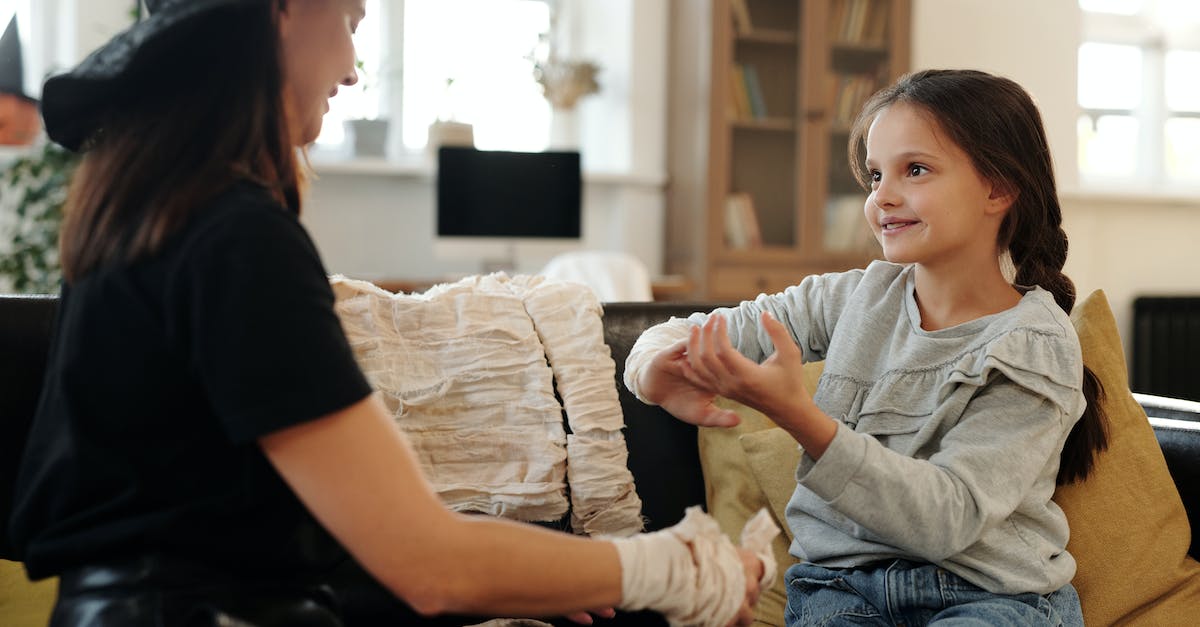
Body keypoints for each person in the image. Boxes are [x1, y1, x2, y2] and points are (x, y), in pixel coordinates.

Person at [7, 1, 768, 625]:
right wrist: (680, 569)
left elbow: (287, 524)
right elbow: (432, 566)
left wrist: (552, 575)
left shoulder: (152, 210)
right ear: (283, 13)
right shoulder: (233, 238)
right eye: (351, 23)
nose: (350, 67)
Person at [624, 69, 1110, 626]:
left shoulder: (1033, 344)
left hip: (991, 598)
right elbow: (685, 330)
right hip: (838, 592)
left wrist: (799, 417)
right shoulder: (852, 297)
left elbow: (945, 519)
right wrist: (652, 370)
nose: (883, 196)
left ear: (997, 189)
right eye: (876, 175)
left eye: (916, 170)